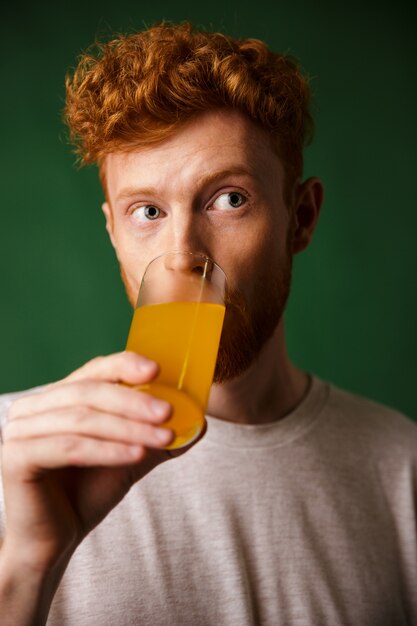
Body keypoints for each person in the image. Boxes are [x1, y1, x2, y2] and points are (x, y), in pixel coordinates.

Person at [0, 21, 416, 626]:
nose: (181, 254)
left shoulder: (402, 470)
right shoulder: (16, 459)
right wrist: (25, 568)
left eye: (229, 199)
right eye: (146, 211)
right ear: (113, 233)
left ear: (300, 217)